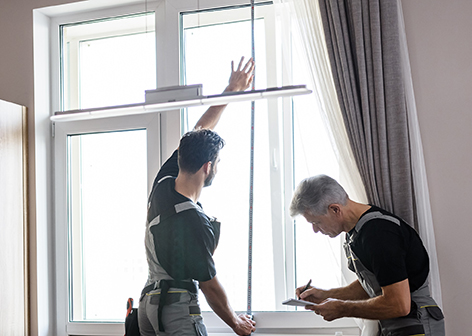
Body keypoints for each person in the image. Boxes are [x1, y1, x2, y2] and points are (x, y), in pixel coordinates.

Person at [138, 57, 257, 336]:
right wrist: (236, 323)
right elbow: (209, 284)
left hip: (148, 305)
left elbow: (200, 131)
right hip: (175, 310)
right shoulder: (193, 221)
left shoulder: (164, 182)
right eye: (217, 162)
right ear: (208, 168)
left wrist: (231, 91)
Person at [290, 175, 445, 336]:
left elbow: (399, 304)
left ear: (335, 209)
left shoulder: (378, 233)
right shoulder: (356, 232)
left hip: (416, 324)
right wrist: (325, 295)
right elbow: (374, 284)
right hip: (397, 327)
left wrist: (342, 308)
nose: (315, 230)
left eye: (316, 222)